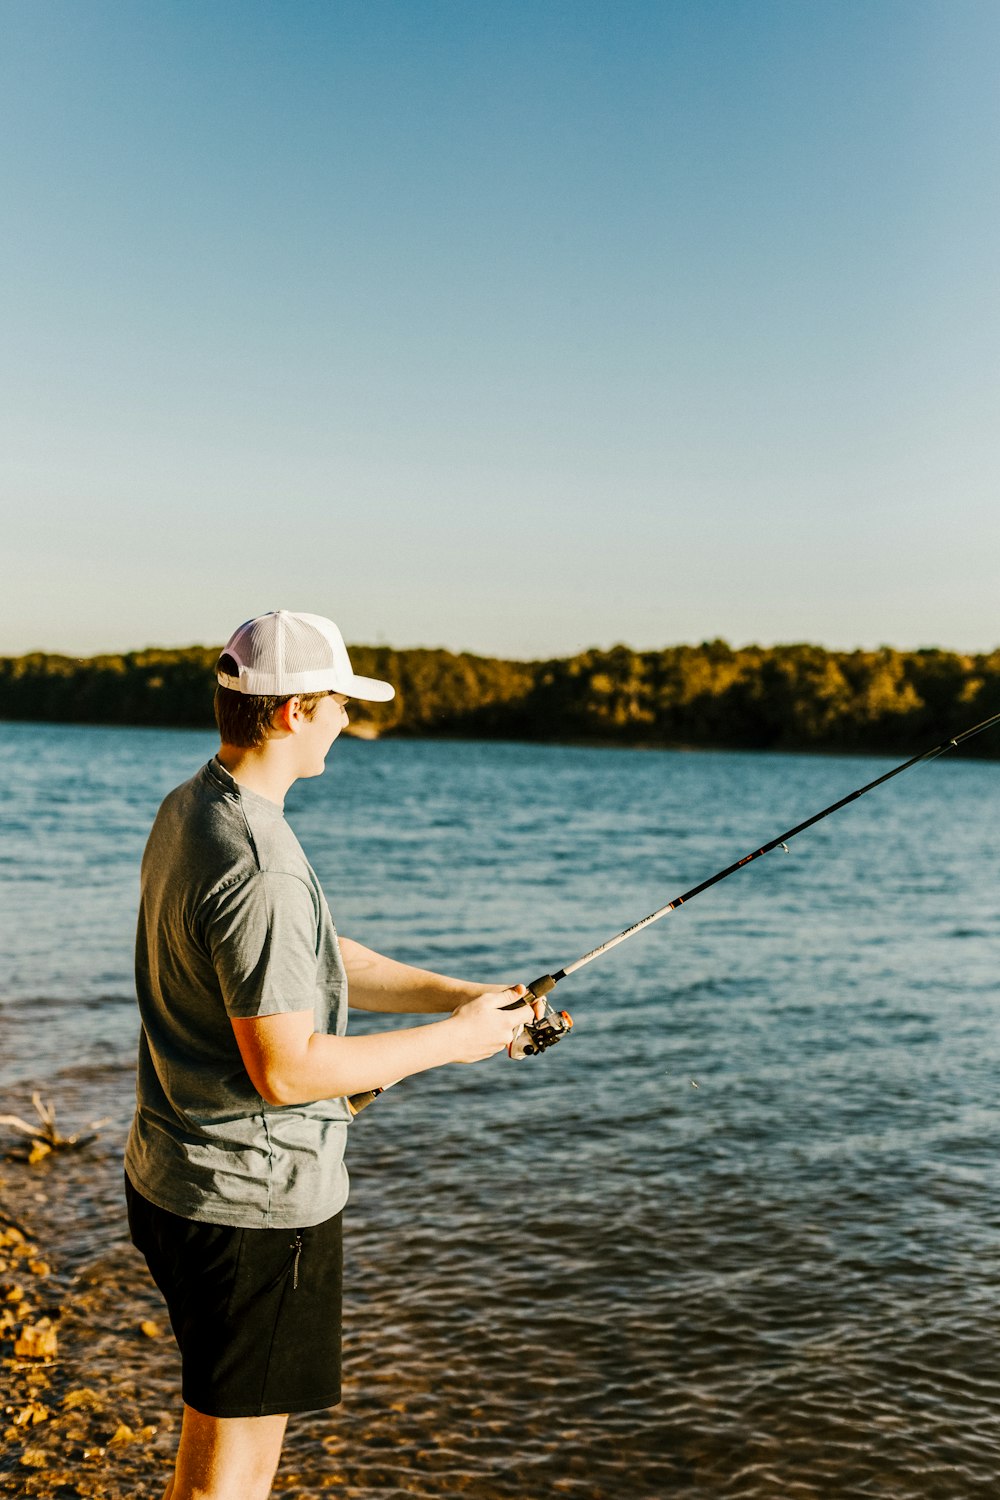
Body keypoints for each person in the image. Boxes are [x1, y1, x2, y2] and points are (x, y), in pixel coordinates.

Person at [124, 609, 537, 1500]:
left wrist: (461, 997)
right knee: (227, 1481)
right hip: (251, 1205)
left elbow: (312, 962)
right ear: (292, 713)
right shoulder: (260, 861)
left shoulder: (195, 805)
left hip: (176, 1180)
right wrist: (458, 1045)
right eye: (340, 703)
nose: (349, 720)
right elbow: (289, 1069)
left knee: (212, 1449)